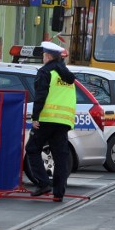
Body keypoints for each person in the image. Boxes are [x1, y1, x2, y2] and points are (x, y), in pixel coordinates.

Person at [26, 41, 76, 202]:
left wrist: (35, 118)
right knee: (60, 157)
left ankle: (43, 183)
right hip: (64, 122)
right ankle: (58, 194)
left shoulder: (45, 72)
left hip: (46, 119)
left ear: (48, 56)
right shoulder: (67, 75)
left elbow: (40, 96)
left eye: (43, 55)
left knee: (32, 149)